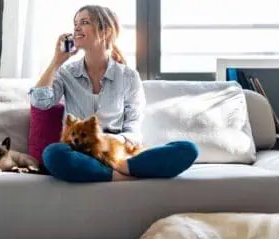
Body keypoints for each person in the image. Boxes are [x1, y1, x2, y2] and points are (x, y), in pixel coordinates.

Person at [28, 5, 198, 182]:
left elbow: (133, 130)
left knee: (187, 149)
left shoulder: (128, 76)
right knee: (53, 154)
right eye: (75, 23)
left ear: (106, 31)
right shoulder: (66, 73)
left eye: (84, 22)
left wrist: (108, 141)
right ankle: (117, 175)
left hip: (117, 152)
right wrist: (57, 61)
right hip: (81, 153)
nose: (76, 28)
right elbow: (40, 102)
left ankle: (117, 168)